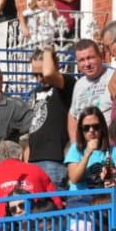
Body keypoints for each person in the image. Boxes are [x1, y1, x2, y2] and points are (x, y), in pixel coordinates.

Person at [25, 45, 75, 188]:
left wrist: (48, 48)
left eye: (41, 74)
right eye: (35, 75)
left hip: (54, 161)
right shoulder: (36, 92)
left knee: (51, 206)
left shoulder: (65, 83)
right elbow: (33, 128)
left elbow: (49, 74)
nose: (40, 79)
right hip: (34, 161)